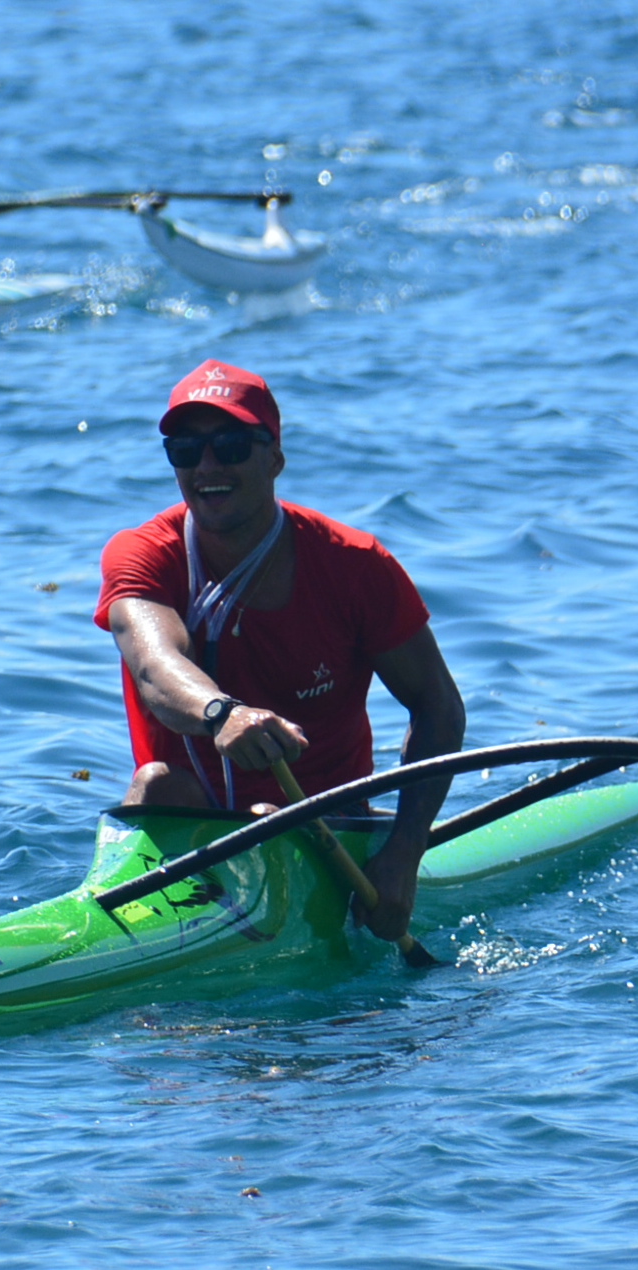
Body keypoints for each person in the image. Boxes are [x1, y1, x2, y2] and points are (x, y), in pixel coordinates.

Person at [94, 360, 466, 941]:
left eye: (233, 445)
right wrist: (223, 714)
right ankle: (122, 938)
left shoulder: (356, 565)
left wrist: (402, 855)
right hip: (193, 817)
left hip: (326, 831)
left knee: (266, 821)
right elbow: (154, 665)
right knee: (157, 784)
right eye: (186, 450)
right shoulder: (142, 554)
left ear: (275, 458)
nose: (208, 467)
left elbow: (439, 708)